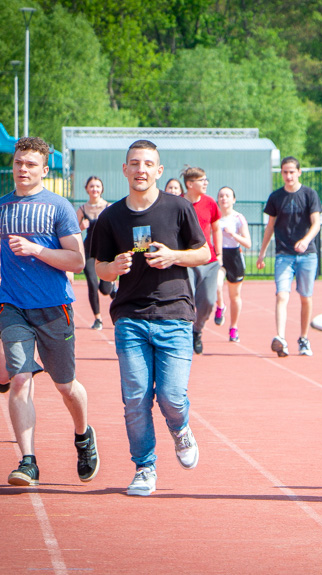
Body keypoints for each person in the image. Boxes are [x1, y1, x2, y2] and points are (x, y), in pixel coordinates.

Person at [91, 139, 209, 496]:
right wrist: (113, 267)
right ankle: (145, 467)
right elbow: (100, 269)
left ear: (158, 171)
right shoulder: (110, 217)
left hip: (174, 314)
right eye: (134, 163)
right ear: (125, 170)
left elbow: (203, 253)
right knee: (136, 397)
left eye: (148, 164)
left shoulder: (178, 208)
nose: (140, 169)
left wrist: (174, 256)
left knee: (171, 396)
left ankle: (181, 428)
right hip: (130, 316)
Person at [0, 136, 100, 487]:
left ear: (44, 170)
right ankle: (28, 461)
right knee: (19, 379)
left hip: (54, 308)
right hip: (13, 307)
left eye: (31, 164)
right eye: (18, 163)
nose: (23, 169)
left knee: (65, 385)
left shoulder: (59, 207)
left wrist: (35, 249)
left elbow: (77, 260)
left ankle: (83, 435)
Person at [256, 156, 322, 357]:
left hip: (307, 255)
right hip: (283, 254)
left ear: (299, 172)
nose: (288, 175)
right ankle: (281, 338)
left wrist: (306, 239)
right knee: (281, 295)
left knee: (305, 297)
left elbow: (316, 223)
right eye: (285, 172)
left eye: (292, 171)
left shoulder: (310, 194)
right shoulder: (276, 197)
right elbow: (270, 227)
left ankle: (303, 338)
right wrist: (262, 252)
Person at [182, 166, 222, 354]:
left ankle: (197, 330)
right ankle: (183, 335)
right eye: (202, 180)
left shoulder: (210, 203)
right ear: (190, 184)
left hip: (209, 260)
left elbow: (216, 228)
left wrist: (219, 254)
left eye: (206, 179)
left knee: (207, 301)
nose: (206, 183)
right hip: (187, 260)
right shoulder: (179, 203)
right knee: (187, 299)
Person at [76, 176, 115, 330]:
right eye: (92, 186)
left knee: (105, 290)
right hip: (89, 251)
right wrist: (81, 226)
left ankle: (112, 286)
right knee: (92, 283)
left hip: (105, 251)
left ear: (102, 189)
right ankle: (98, 318)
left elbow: (115, 229)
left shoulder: (108, 207)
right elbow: (71, 231)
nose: (95, 189)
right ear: (87, 189)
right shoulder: (82, 209)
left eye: (98, 186)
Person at [214, 186, 251, 342]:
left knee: (234, 296)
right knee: (216, 284)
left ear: (233, 200)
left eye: (227, 196)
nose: (224, 199)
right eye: (221, 196)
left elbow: (247, 243)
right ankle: (220, 306)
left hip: (234, 256)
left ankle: (233, 327)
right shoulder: (215, 217)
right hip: (219, 255)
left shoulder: (238, 218)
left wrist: (233, 234)